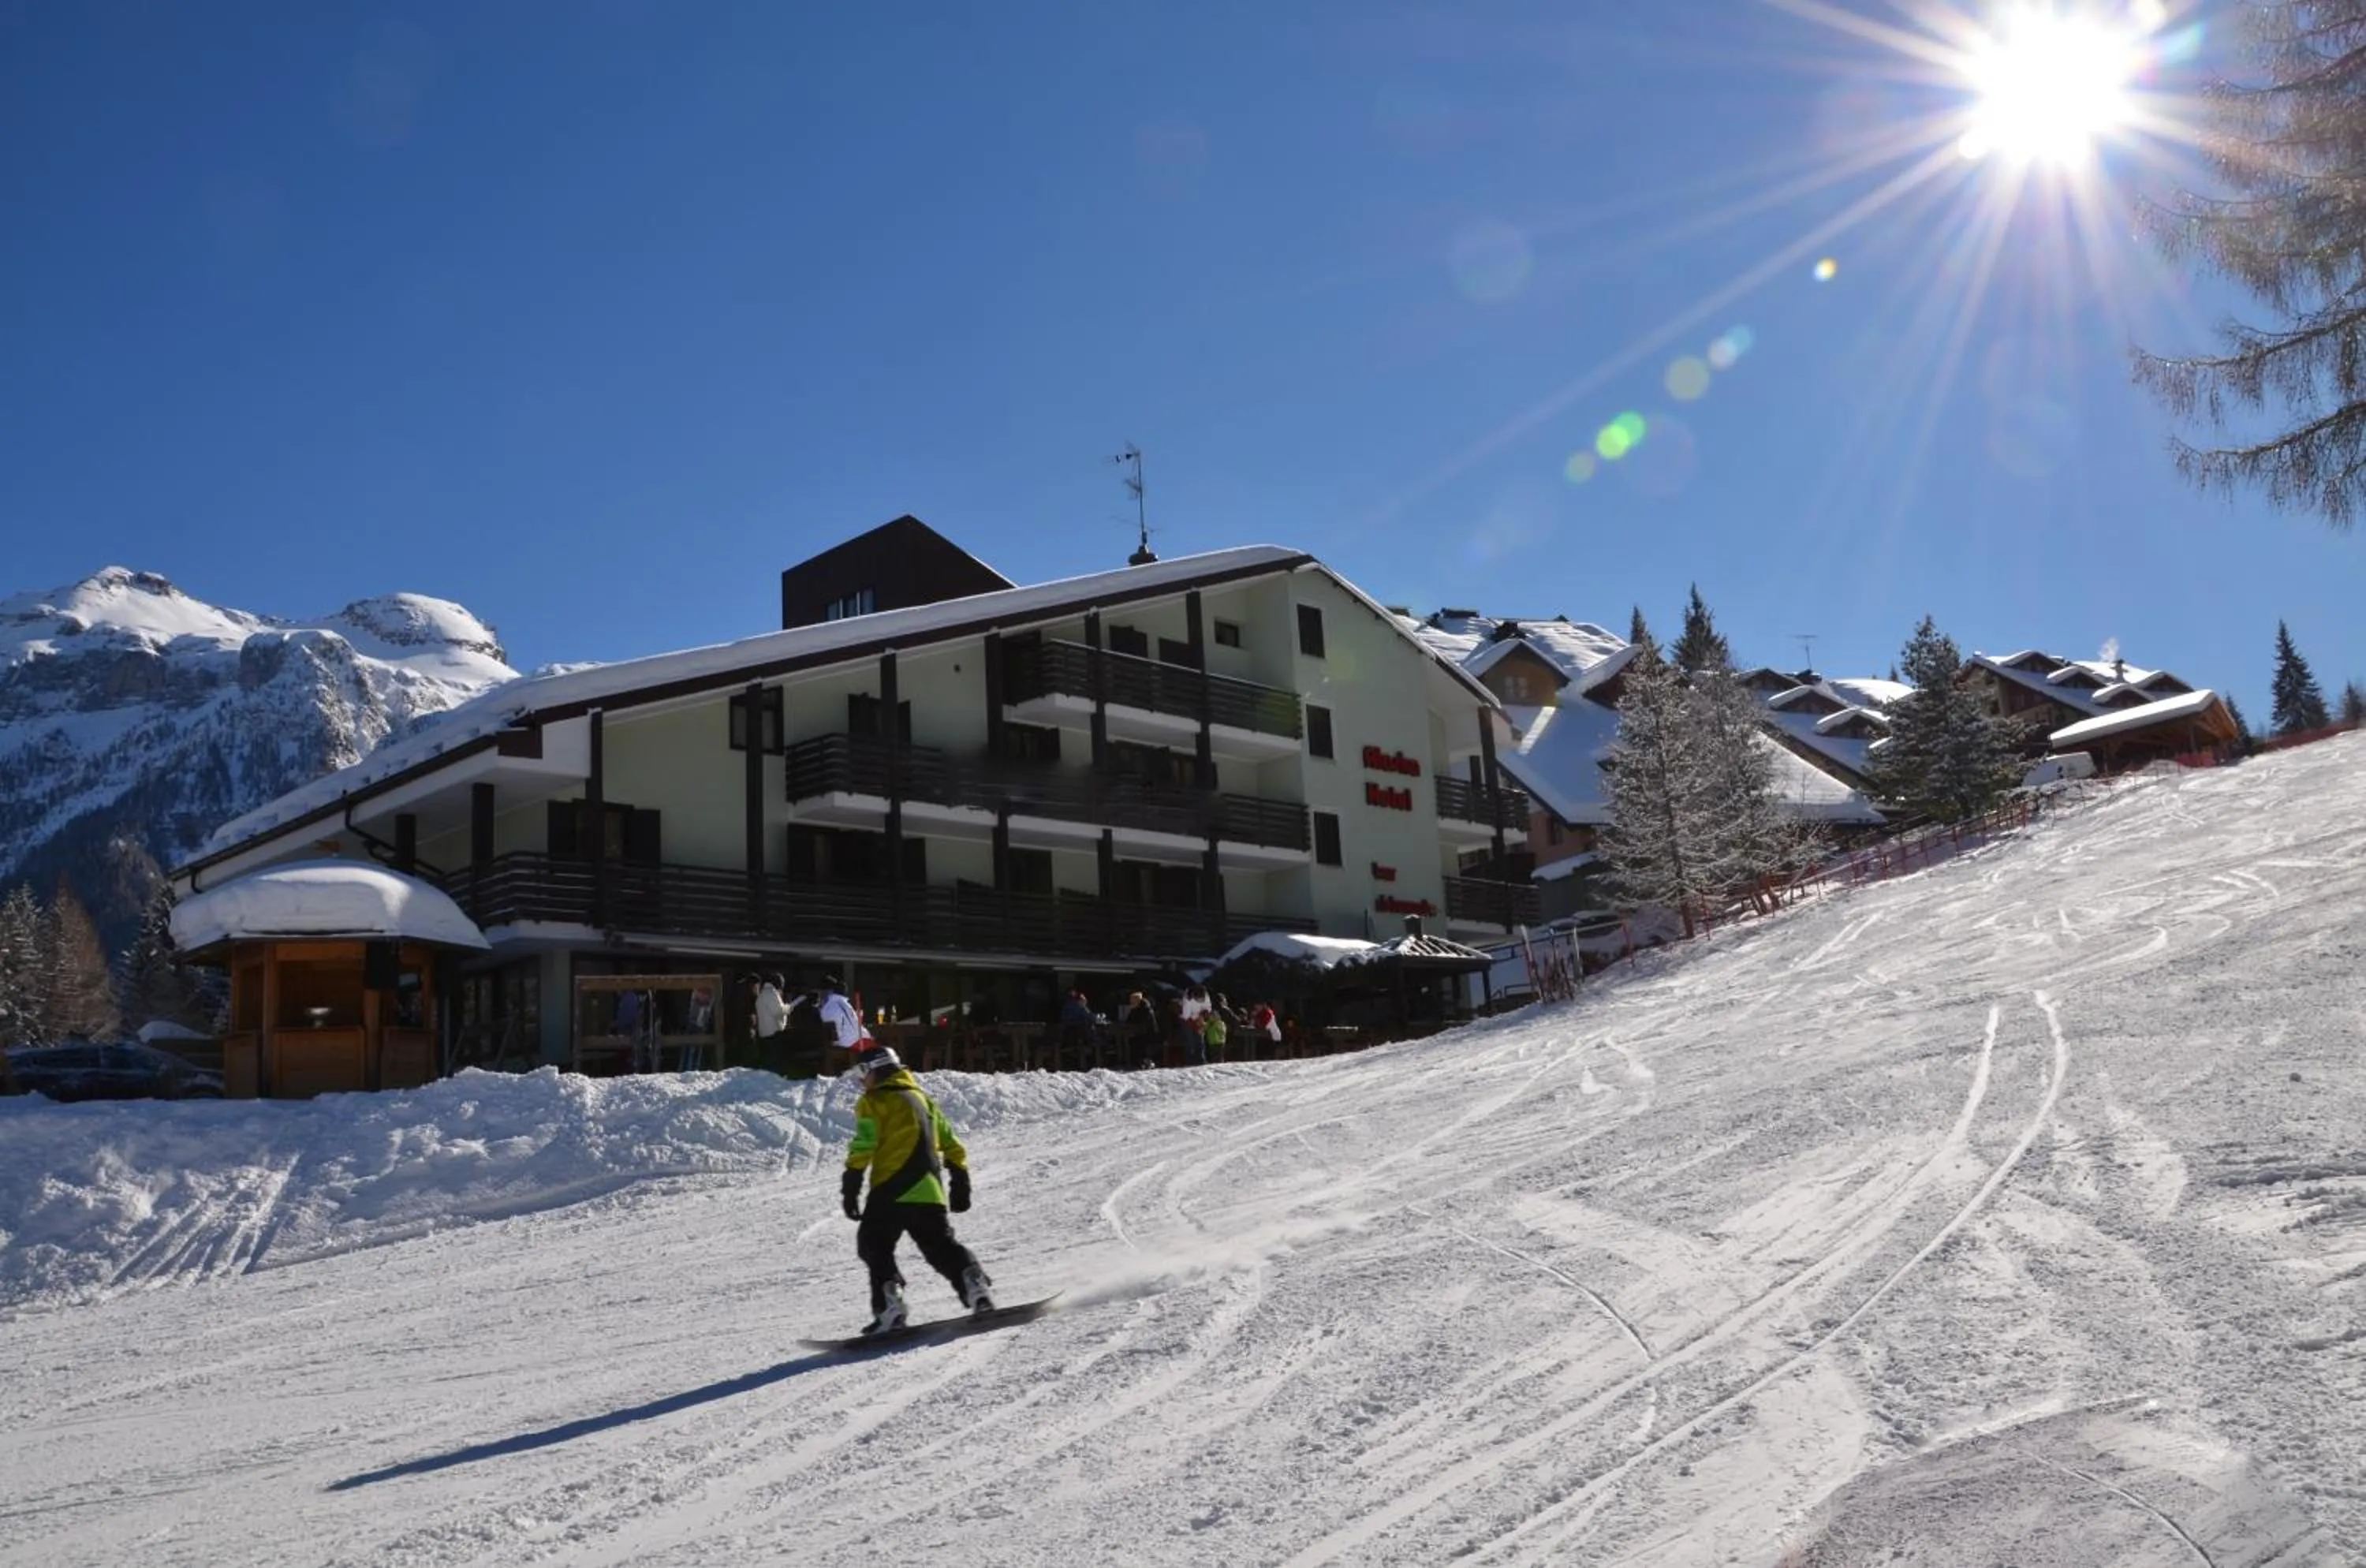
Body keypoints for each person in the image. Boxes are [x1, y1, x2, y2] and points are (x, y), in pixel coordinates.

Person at [842, 1041, 994, 1336]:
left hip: (892, 1189)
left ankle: (890, 1307)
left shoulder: (874, 1102)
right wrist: (960, 1178)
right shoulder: (923, 1099)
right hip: (929, 1191)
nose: (861, 1080)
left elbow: (864, 1144)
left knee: (873, 1243)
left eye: (862, 1072)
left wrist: (852, 1182)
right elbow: (951, 1143)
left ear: (877, 1070)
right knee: (940, 1247)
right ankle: (974, 1285)